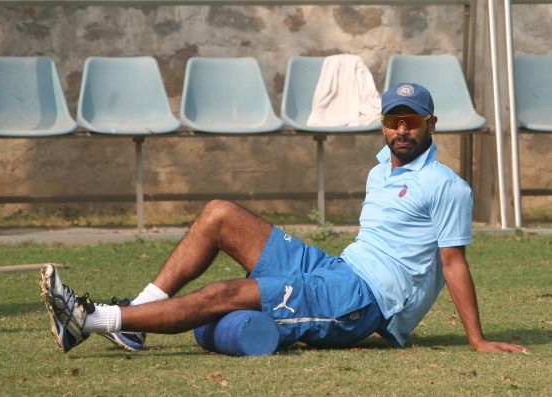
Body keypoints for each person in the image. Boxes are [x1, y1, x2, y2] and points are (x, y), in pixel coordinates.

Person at [40, 83, 527, 354]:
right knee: (219, 214)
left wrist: (476, 340)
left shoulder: (446, 185)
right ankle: (138, 317)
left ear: (430, 125)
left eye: (412, 121)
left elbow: (452, 262)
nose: (401, 130)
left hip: (360, 299)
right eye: (393, 121)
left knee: (228, 294)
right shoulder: (381, 170)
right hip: (338, 268)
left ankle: (93, 318)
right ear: (382, 124)